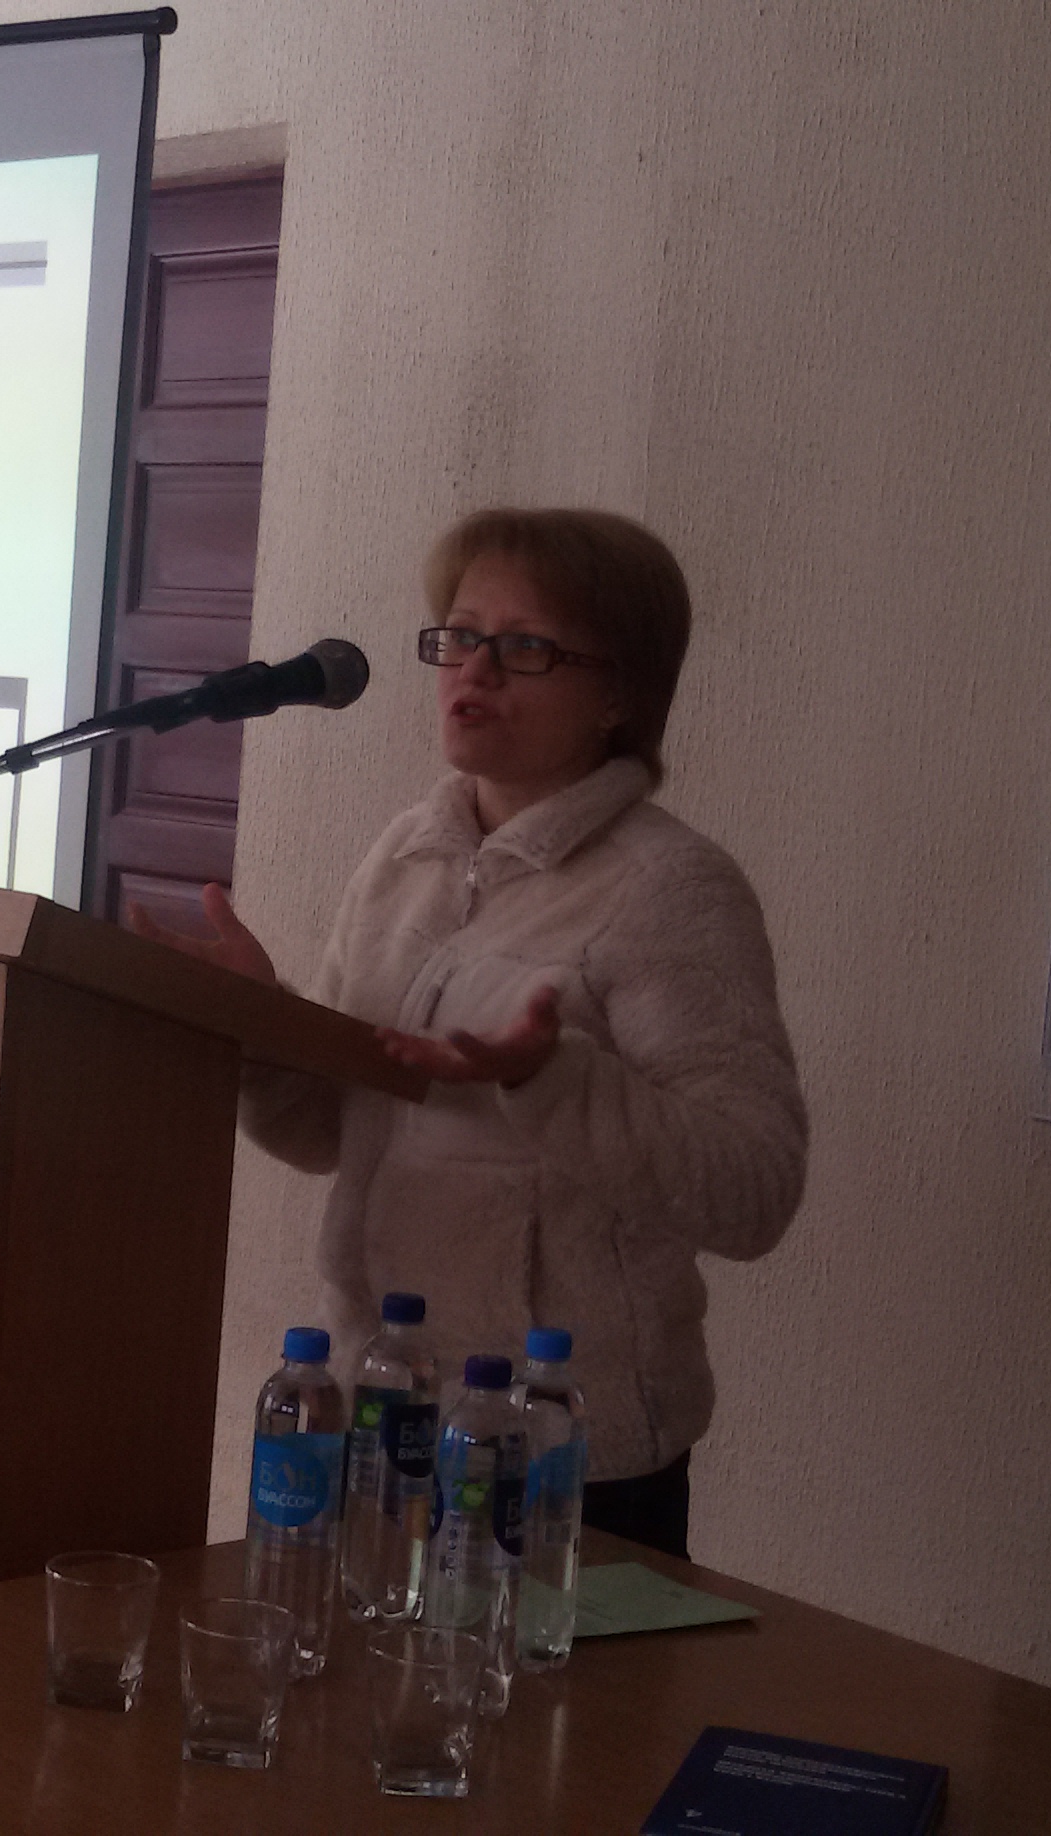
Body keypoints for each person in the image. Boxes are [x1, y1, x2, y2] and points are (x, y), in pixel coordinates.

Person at [132, 507, 807, 1561]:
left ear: (620, 695)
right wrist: (258, 1029)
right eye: (459, 635)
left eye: (527, 647)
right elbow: (328, 1133)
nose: (475, 671)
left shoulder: (670, 890)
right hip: (379, 1412)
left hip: (560, 1457)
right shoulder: (407, 856)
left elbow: (754, 1189)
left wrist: (551, 1081)